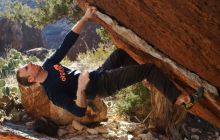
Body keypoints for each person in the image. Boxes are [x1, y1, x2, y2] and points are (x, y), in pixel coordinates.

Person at [16, 6, 204, 118]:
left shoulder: (49, 65)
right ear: (31, 79)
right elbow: (79, 112)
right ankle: (180, 99)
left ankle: (147, 79)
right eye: (26, 68)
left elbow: (67, 43)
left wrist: (85, 17)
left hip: (98, 73)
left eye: (27, 64)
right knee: (149, 69)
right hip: (101, 85)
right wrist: (81, 88)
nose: (30, 64)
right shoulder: (53, 92)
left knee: (120, 54)